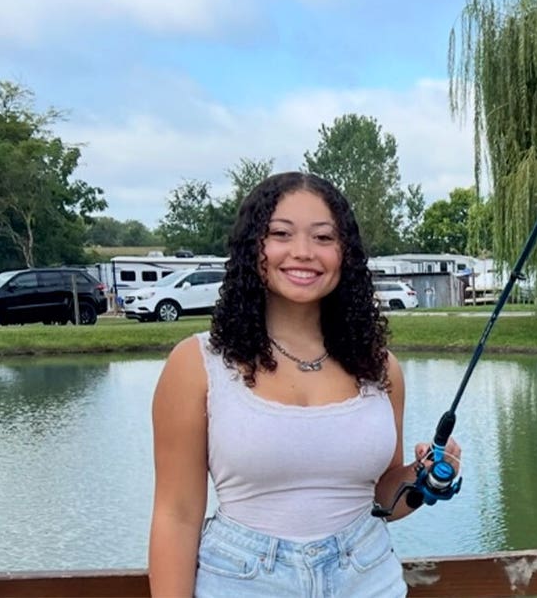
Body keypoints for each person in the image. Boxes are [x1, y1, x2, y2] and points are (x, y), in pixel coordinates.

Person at [148, 171, 460, 597]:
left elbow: (383, 499)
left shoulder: (380, 368)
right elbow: (176, 515)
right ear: (252, 249)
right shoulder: (197, 363)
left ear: (344, 254)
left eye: (323, 238)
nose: (303, 252)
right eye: (280, 233)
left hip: (369, 578)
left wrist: (425, 479)